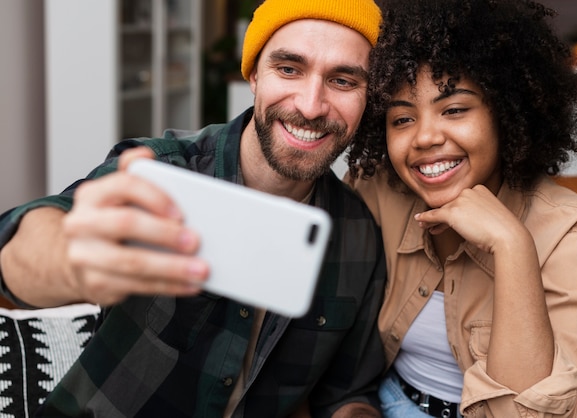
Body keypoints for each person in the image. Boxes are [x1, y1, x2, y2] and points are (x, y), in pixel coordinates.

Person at [0, 0, 388, 416]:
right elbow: (20, 248)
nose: (311, 106)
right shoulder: (161, 172)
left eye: (344, 80)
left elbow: (346, 394)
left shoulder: (358, 234)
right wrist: (65, 258)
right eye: (289, 69)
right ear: (255, 74)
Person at [345, 0, 577, 417]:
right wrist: (350, 404)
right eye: (402, 119)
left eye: (454, 110)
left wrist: (512, 247)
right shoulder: (376, 190)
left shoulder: (576, 237)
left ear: (506, 114)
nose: (424, 137)